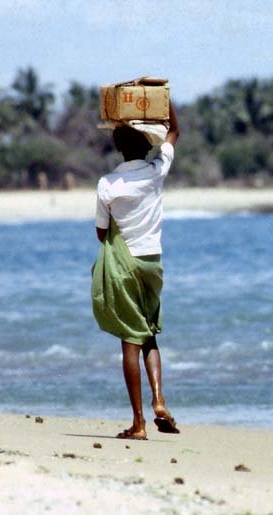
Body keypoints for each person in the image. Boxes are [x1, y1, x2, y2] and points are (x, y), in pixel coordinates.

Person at [92, 103, 180, 440]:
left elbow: (101, 234)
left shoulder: (108, 183)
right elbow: (174, 132)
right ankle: (159, 400)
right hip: (152, 263)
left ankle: (139, 424)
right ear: (146, 142)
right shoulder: (157, 170)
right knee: (149, 334)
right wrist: (163, 101)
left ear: (117, 147)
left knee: (130, 340)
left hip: (124, 265)